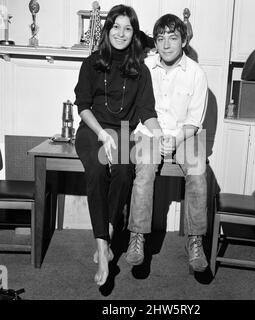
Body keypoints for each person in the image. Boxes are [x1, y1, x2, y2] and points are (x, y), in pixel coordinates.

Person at [74, 4, 162, 286]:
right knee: (98, 172)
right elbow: (83, 106)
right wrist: (101, 133)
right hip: (92, 130)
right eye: (116, 27)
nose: (121, 33)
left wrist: (160, 135)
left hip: (122, 131)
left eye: (127, 28)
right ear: (108, 29)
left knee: (124, 173)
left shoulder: (141, 71)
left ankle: (107, 235)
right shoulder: (91, 63)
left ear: (133, 33)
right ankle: (102, 248)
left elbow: (147, 111)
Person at [125, 14, 209, 272]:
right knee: (145, 170)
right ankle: (137, 237)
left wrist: (174, 140)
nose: (166, 44)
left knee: (198, 171)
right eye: (160, 38)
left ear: (183, 40)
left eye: (173, 38)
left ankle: (195, 241)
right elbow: (137, 107)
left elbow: (194, 121)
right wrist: (160, 136)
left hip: (185, 135)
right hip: (150, 133)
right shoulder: (145, 66)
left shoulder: (196, 73)